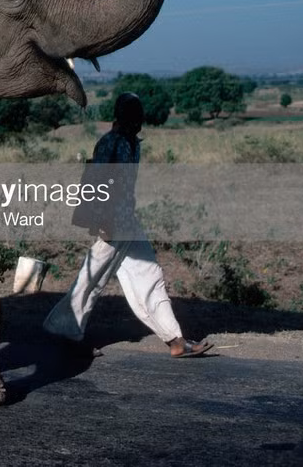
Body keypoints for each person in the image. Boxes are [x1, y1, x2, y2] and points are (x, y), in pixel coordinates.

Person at [44, 93, 213, 358]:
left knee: (150, 276)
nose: (138, 121)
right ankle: (65, 331)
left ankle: (175, 340)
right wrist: (100, 222)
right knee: (93, 279)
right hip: (111, 223)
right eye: (133, 115)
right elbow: (95, 183)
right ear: (123, 116)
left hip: (128, 222)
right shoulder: (110, 143)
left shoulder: (133, 144)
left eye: (138, 115)